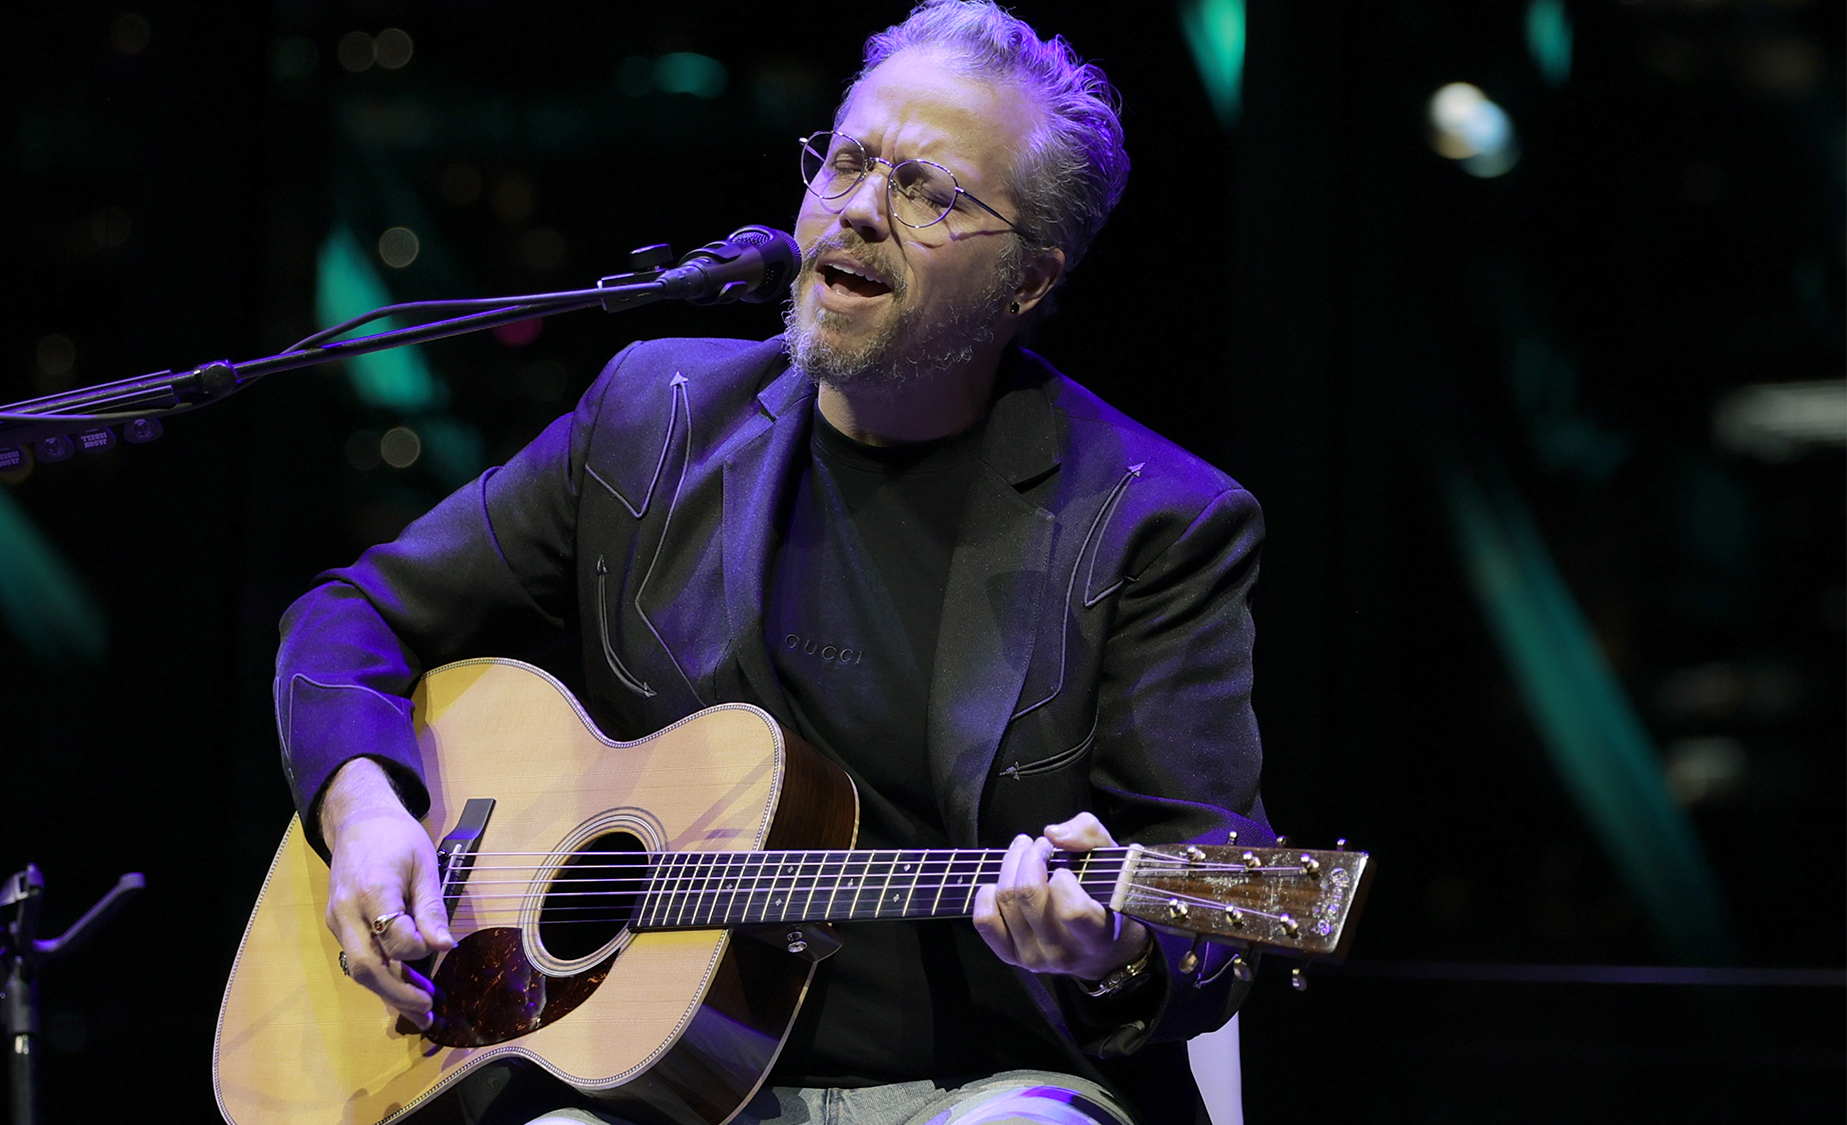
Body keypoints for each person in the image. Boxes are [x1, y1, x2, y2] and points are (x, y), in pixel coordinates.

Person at [274, 3, 1271, 1123]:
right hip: (659, 1089)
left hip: (984, 1084)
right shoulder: (655, 420)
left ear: (1030, 282)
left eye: (929, 193)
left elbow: (1208, 888)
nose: (856, 212)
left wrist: (1113, 950)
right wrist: (363, 807)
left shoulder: (1153, 522)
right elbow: (352, 612)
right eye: (847, 162)